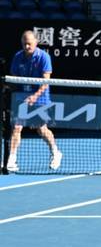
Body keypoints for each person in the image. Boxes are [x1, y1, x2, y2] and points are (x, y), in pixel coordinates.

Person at [5, 31, 63, 172]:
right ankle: (11, 160)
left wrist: (35, 97)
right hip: (21, 98)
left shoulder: (44, 57)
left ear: (36, 43)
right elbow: (14, 79)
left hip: (41, 98)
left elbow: (46, 81)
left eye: (29, 43)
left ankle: (56, 152)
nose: (27, 46)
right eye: (24, 43)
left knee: (41, 129)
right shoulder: (18, 57)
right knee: (17, 127)